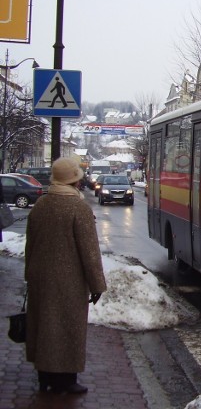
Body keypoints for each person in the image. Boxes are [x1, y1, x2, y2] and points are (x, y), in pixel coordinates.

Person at [24, 157, 107, 395]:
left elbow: (31, 243)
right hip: (69, 282)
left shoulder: (41, 204)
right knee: (67, 329)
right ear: (74, 181)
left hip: (41, 277)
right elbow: (89, 252)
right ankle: (66, 379)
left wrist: (30, 273)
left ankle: (44, 377)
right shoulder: (78, 208)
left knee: (44, 327)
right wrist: (96, 284)